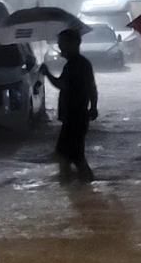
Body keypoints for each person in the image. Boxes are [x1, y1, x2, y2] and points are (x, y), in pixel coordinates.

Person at [40, 29, 98, 182]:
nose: (60, 47)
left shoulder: (74, 65)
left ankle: (76, 184)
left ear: (73, 44)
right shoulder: (82, 63)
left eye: (62, 44)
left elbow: (61, 84)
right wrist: (93, 107)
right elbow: (92, 88)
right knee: (68, 155)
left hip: (74, 117)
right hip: (76, 116)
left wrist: (47, 73)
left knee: (71, 156)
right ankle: (77, 187)